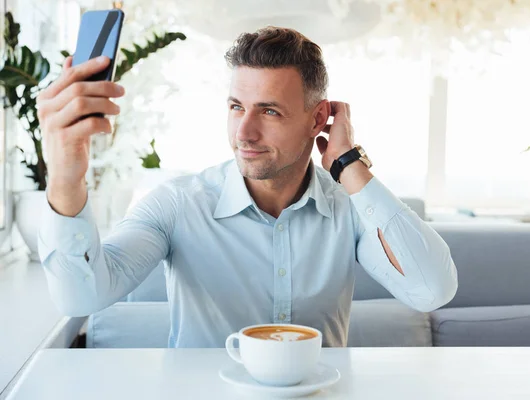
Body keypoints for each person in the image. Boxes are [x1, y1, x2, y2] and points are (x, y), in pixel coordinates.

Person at [36, 26, 458, 347]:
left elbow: (431, 291)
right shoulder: (177, 204)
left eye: (269, 111)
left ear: (317, 120)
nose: (245, 132)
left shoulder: (349, 208)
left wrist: (349, 165)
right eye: (236, 106)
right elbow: (80, 297)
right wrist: (65, 178)